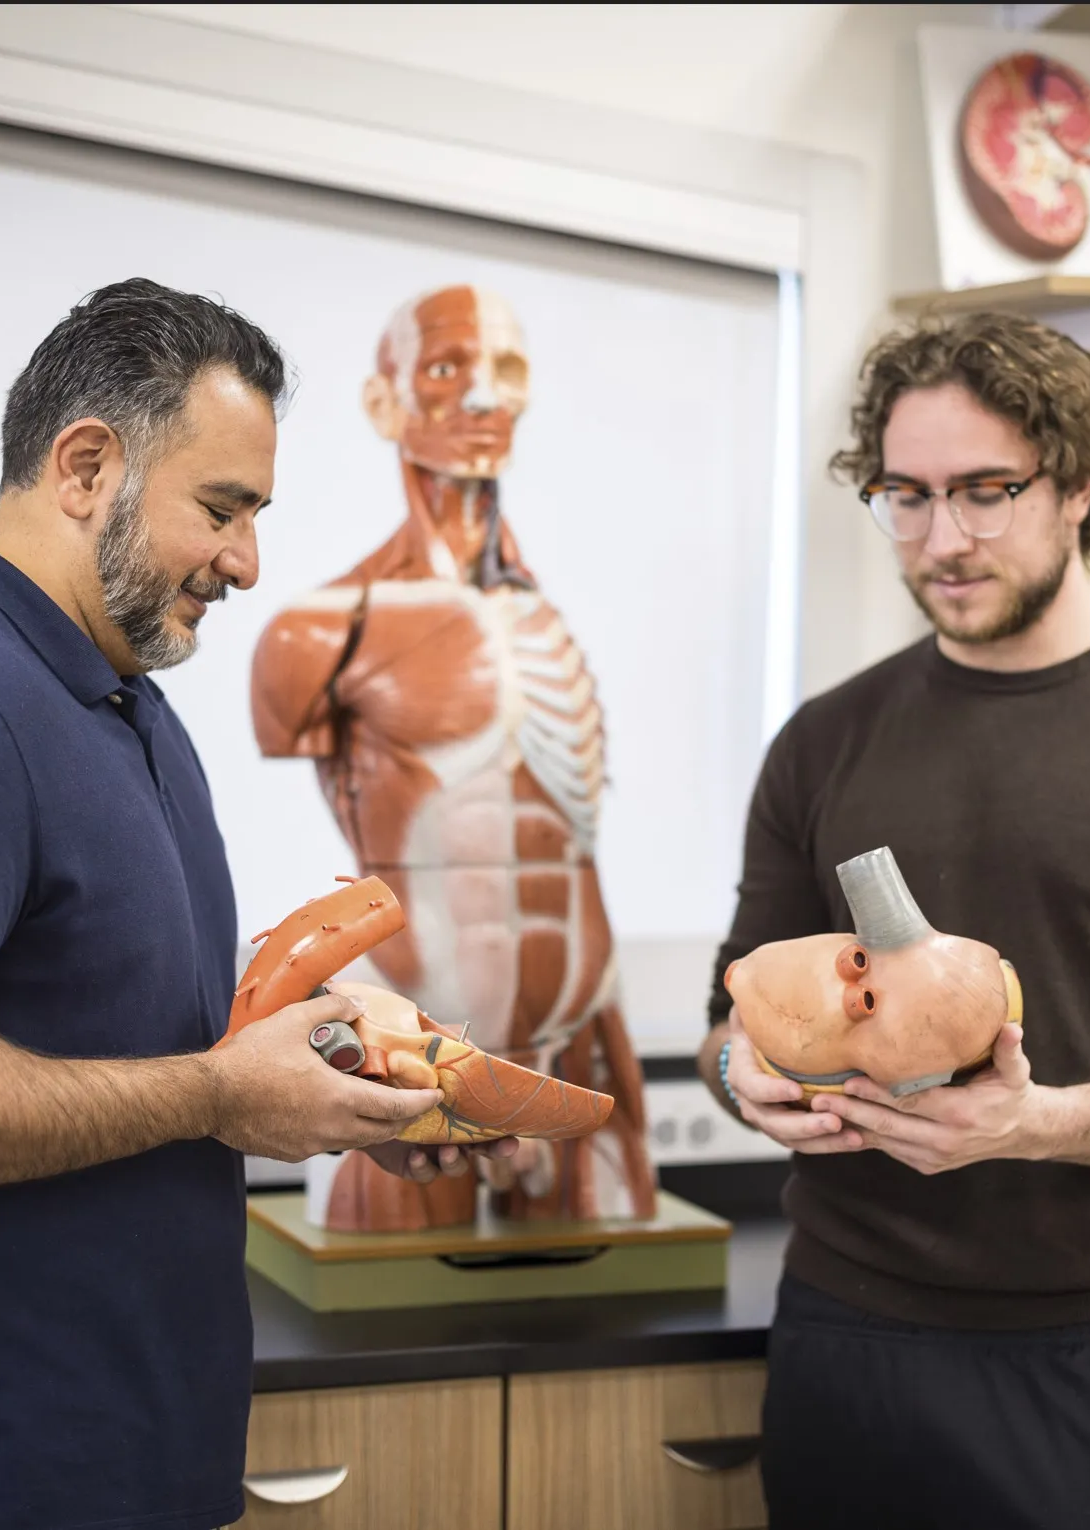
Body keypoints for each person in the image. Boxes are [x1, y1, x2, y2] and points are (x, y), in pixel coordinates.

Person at [0, 278, 512, 1530]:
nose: (248, 562)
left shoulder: (125, 708)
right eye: (221, 510)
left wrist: (329, 1065)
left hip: (138, 1467)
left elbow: (114, 1023)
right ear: (86, 465)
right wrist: (219, 1094)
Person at [696, 312, 1090, 1530]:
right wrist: (742, 1075)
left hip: (1081, 1352)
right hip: (840, 1340)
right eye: (906, 496)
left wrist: (1032, 1125)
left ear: (1078, 482)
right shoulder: (823, 742)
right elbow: (733, 1008)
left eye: (985, 491)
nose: (943, 538)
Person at [251, 284, 655, 1232]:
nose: (480, 398)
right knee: (388, 1346)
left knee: (598, 1335)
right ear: (385, 403)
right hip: (409, 1052)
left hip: (578, 1040)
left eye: (503, 373)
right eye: (445, 369)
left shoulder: (549, 617)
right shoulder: (320, 634)